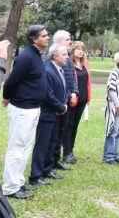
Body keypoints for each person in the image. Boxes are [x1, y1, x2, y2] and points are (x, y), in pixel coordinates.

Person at [1, 24, 51, 199]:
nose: (47, 38)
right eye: (44, 36)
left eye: (47, 35)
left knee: (25, 147)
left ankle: (19, 182)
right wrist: (6, 97)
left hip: (33, 108)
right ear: (34, 39)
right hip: (22, 108)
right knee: (17, 147)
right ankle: (10, 187)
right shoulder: (26, 57)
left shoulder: (36, 55)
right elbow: (11, 82)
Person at [29, 43, 69, 187]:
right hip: (47, 113)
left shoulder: (60, 70)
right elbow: (47, 94)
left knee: (52, 142)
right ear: (55, 55)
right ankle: (36, 175)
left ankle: (47, 169)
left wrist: (63, 105)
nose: (67, 57)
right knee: (42, 144)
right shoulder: (47, 70)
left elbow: (65, 90)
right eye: (64, 54)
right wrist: (60, 106)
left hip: (57, 113)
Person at [45, 30, 77, 168]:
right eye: (66, 39)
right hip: (55, 103)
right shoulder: (50, 60)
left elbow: (71, 77)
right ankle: (49, 161)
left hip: (66, 98)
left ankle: (56, 159)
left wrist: (73, 92)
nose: (69, 41)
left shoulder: (67, 57)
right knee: (52, 134)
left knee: (61, 131)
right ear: (57, 42)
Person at [64, 40, 92, 163]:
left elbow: (88, 82)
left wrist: (89, 97)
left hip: (83, 99)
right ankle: (66, 152)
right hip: (72, 99)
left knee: (75, 126)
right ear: (73, 51)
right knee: (68, 126)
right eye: (78, 49)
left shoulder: (85, 63)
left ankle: (71, 150)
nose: (80, 51)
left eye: (82, 49)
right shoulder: (69, 64)